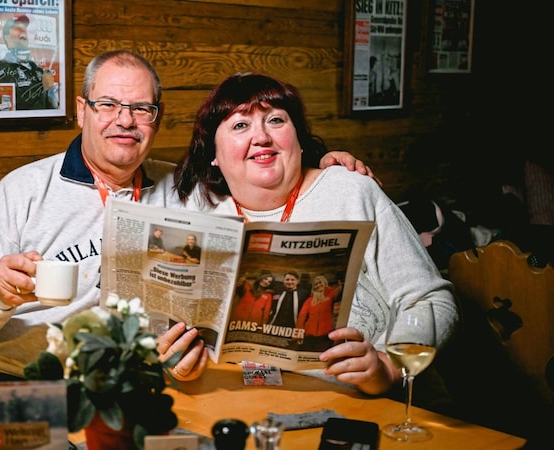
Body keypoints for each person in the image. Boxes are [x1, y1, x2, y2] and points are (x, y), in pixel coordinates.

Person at [0, 51, 374, 408]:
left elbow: (257, 174)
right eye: (109, 106)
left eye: (141, 109)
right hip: (3, 374)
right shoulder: (24, 189)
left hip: (124, 386)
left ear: (156, 119)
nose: (125, 120)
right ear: (82, 111)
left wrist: (324, 169)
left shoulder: (185, 189)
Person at [173, 72, 458, 396]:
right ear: (213, 153)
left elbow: (433, 301)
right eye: (240, 125)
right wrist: (180, 363)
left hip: (361, 404)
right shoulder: (197, 213)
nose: (262, 137)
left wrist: (388, 366)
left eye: (276, 120)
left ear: (296, 136)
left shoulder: (351, 191)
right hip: (237, 403)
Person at [0, 14, 58, 110]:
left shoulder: (37, 70)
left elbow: (53, 106)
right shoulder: (3, 68)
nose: (23, 31)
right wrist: (43, 88)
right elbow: (12, 104)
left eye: (24, 28)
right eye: (17, 28)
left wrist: (50, 91)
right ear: (7, 37)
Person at [295, 275, 341, 351]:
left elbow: (339, 291)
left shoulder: (331, 295)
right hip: (309, 335)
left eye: (320, 283)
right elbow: (301, 317)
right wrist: (298, 334)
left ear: (324, 283)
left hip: (325, 335)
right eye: (316, 284)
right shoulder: (309, 300)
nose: (318, 285)